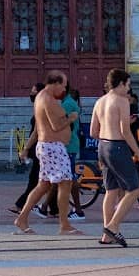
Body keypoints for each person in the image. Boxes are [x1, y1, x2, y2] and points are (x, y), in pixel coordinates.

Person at [89, 68, 139, 248]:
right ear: (121, 83)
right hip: (117, 147)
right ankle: (113, 226)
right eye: (128, 85)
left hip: (103, 146)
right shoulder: (122, 101)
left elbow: (93, 132)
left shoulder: (100, 101)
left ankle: (106, 235)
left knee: (111, 190)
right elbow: (125, 132)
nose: (129, 89)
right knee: (134, 189)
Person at [14, 72, 77, 236]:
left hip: (46, 146)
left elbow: (37, 129)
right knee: (65, 182)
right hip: (53, 147)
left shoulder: (40, 98)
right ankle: (64, 224)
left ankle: (22, 218)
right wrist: (71, 118)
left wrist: (26, 148)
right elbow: (56, 126)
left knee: (43, 184)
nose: (64, 90)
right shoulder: (48, 99)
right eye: (63, 86)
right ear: (55, 83)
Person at [46, 85, 85, 220]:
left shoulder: (67, 104)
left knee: (68, 178)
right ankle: (45, 206)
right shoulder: (68, 102)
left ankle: (78, 210)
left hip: (68, 145)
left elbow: (58, 123)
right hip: (68, 144)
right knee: (61, 177)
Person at [11, 84, 43, 214]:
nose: (31, 93)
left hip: (41, 148)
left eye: (33, 91)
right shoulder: (38, 107)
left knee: (37, 180)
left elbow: (36, 132)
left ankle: (22, 205)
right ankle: (52, 207)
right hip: (39, 148)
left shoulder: (41, 108)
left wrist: (26, 148)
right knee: (42, 180)